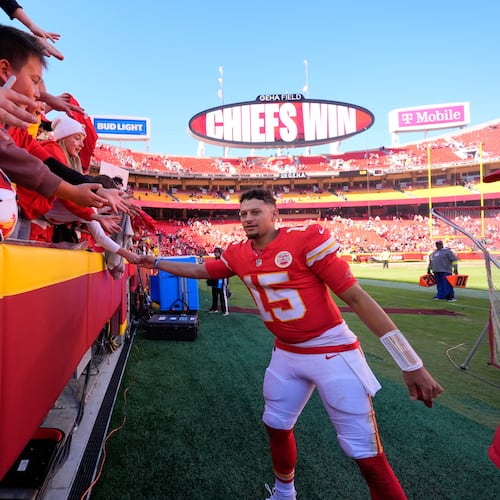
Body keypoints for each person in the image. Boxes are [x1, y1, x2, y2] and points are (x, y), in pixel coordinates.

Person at [139, 189, 443, 500]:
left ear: (275, 215)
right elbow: (199, 269)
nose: (247, 218)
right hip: (286, 352)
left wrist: (411, 363)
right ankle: (284, 493)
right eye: (243, 213)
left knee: (363, 450)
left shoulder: (304, 241)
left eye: (255, 212)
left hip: (332, 351)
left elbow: (356, 298)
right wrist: (155, 261)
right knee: (275, 424)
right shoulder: (239, 253)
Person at [207, 247, 229, 315]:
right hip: (216, 279)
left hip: (222, 278)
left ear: (220, 253)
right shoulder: (216, 260)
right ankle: (214, 308)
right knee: (214, 293)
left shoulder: (224, 260)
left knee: (222, 293)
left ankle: (225, 310)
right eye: (215, 252)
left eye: (216, 252)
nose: (215, 253)